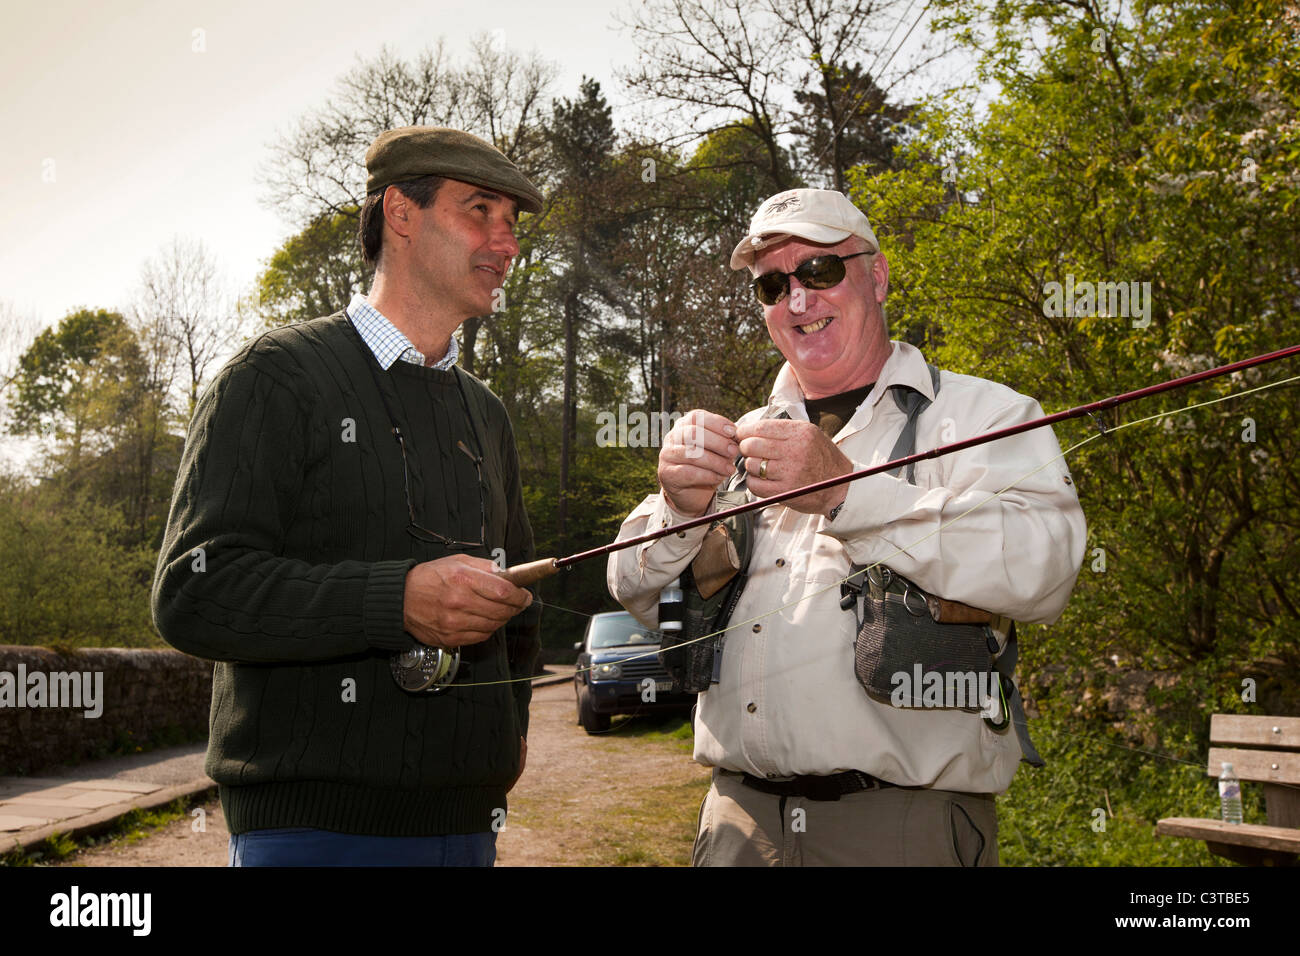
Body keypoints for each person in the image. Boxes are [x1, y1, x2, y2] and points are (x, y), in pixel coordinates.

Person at [607, 188, 1087, 866]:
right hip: (736, 823)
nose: (797, 300)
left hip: (905, 827)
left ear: (878, 274)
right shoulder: (735, 440)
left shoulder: (989, 416)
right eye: (774, 285)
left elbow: (1049, 571)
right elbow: (633, 589)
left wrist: (848, 492)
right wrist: (678, 509)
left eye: (821, 271)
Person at [152, 127, 542, 867]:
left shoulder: (487, 413)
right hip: (309, 833)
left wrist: (509, 731)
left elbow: (521, 595)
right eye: (481, 211)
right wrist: (396, 600)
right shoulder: (274, 376)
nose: (505, 242)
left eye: (513, 224)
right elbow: (193, 592)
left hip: (467, 830)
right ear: (401, 212)